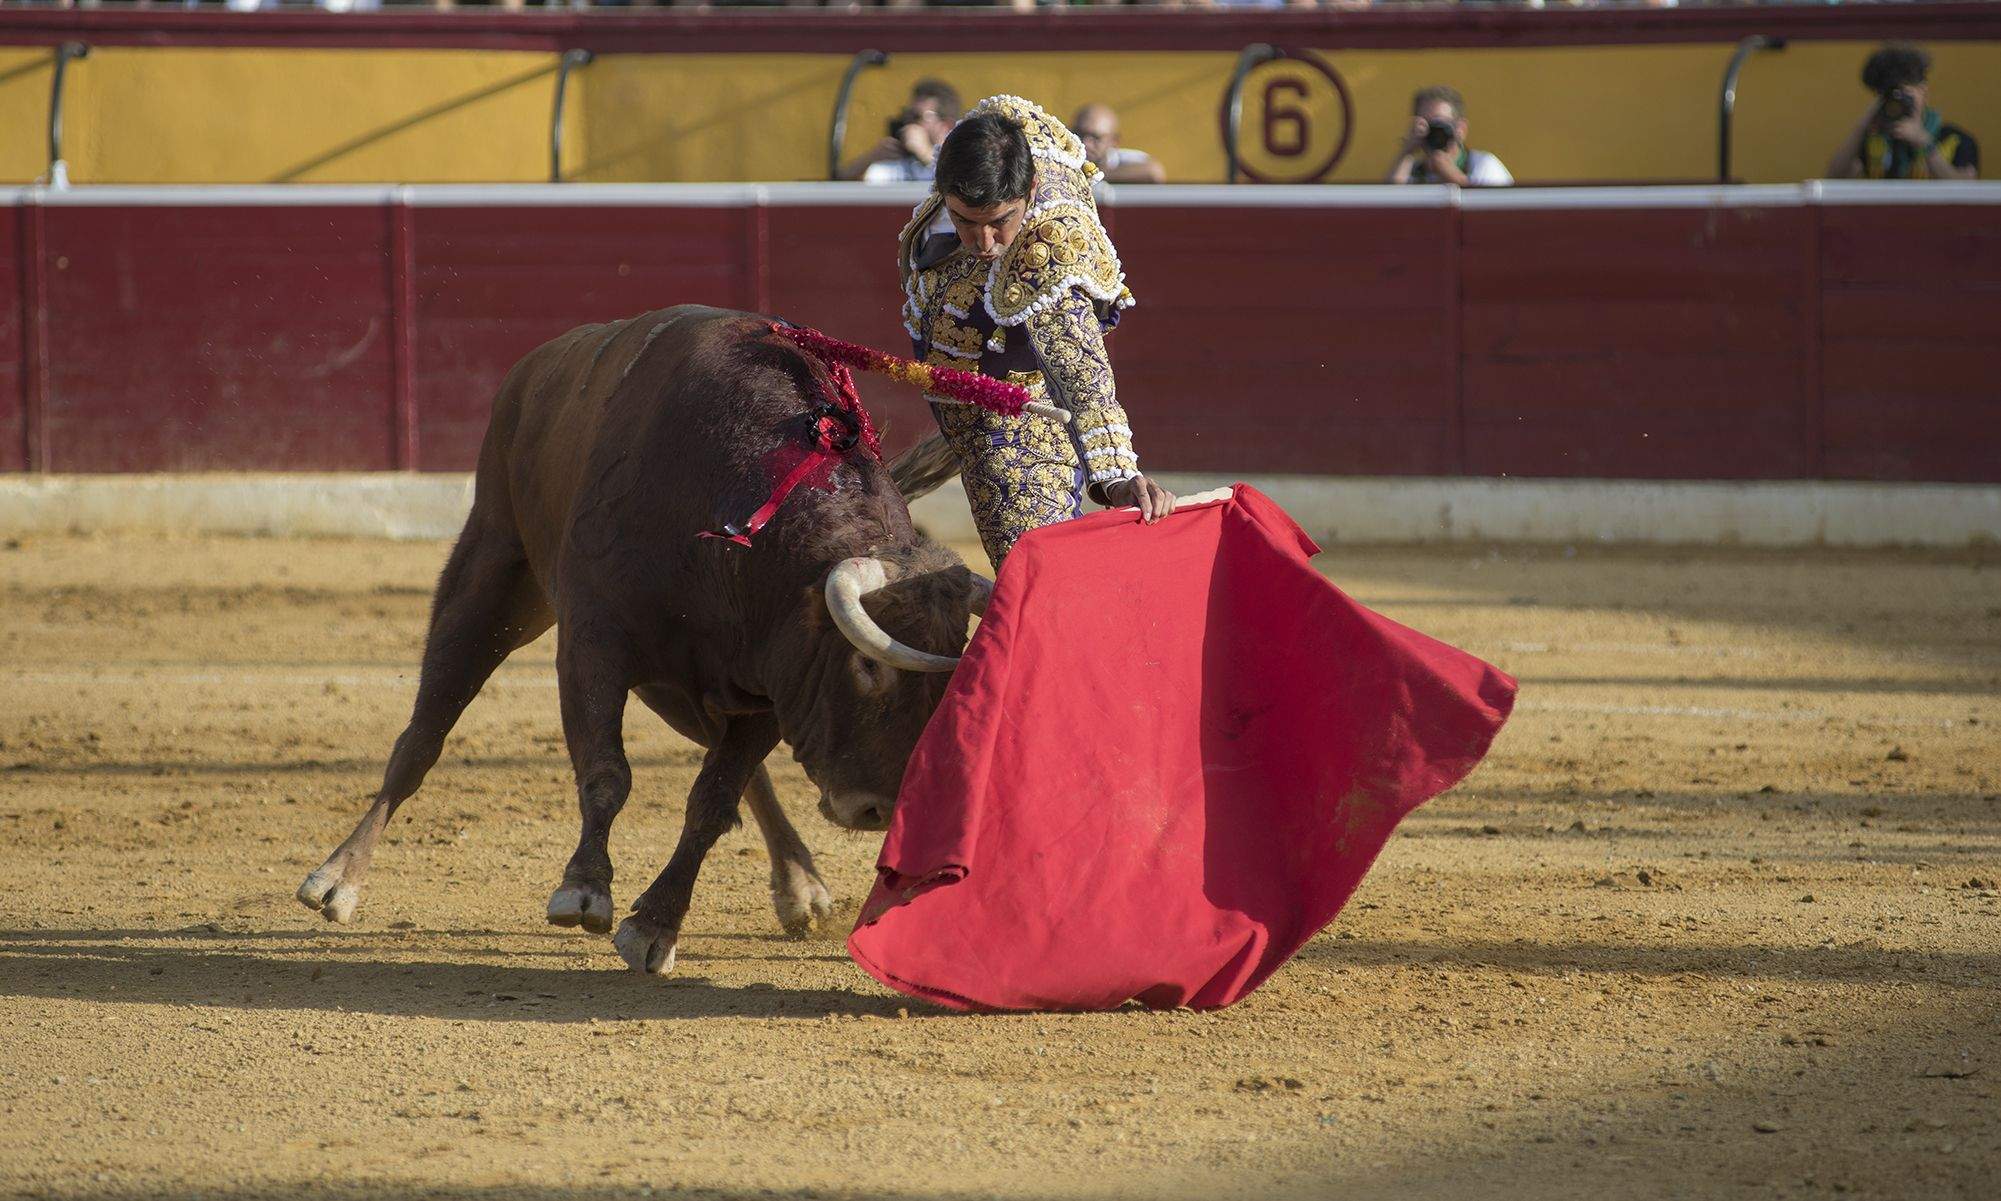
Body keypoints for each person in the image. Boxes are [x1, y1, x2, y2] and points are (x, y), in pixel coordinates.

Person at [894, 94, 1175, 569]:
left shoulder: (1048, 249)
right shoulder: (982, 147)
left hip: (1020, 417)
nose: (985, 242)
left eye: (1001, 222)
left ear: (1030, 189)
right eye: (966, 221)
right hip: (959, 383)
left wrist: (1118, 477)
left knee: (1035, 568)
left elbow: (1081, 374)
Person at [1826, 44, 1979, 182]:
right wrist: (1862, 125)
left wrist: (1924, 143)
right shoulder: (1873, 141)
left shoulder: (1954, 139)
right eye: (1890, 96)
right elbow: (1833, 179)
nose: (1897, 103)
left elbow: (1965, 190)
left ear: (1923, 91)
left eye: (1905, 94)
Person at [1386, 85, 1513, 187]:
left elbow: (1490, 208)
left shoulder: (1482, 164)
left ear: (1461, 129)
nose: (1432, 131)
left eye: (1439, 123)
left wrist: (1449, 172)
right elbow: (1389, 207)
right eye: (1425, 124)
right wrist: (1407, 152)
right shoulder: (1412, 170)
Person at [840, 79, 962, 184]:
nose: (908, 122)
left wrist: (926, 153)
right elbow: (842, 187)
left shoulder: (965, 159)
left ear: (946, 126)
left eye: (917, 116)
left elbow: (963, 187)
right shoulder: (903, 163)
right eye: (907, 115)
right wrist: (870, 159)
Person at [1071, 103, 1167, 184]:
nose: (1086, 143)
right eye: (1080, 134)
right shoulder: (1061, 156)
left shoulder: (1123, 161)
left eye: (1096, 138)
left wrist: (1095, 176)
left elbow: (1154, 172)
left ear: (1114, 142)